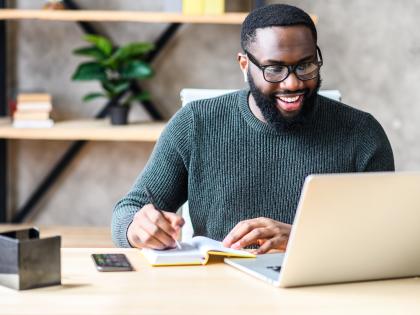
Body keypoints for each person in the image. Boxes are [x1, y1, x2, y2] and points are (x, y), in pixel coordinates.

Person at [111, 4, 394, 254]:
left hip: (323, 293)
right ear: (245, 65)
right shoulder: (195, 124)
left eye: (305, 65)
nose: (292, 83)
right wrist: (137, 228)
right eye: (274, 69)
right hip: (219, 291)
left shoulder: (362, 133)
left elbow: (388, 237)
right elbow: (127, 211)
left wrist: (300, 238)